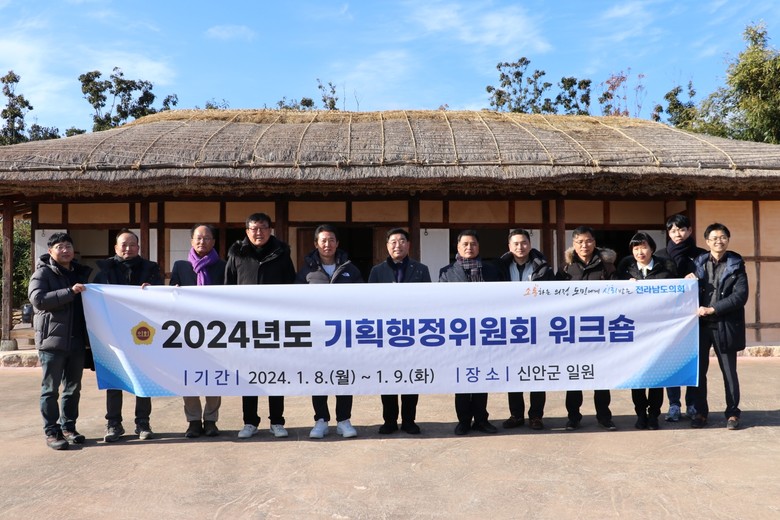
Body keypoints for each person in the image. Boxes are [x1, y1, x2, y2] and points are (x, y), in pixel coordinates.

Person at [225, 213, 296, 439]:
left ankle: (277, 421)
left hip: (275, 324)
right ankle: (250, 421)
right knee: (249, 374)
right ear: (247, 231)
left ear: (270, 230)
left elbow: (292, 287)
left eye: (263, 228)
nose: (259, 232)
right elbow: (227, 287)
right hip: (246, 325)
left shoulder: (281, 253)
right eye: (254, 228)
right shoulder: (237, 254)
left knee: (275, 373)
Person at [94, 229, 163, 441]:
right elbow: (94, 297)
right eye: (123, 244)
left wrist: (153, 290)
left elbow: (161, 297)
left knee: (143, 377)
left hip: (144, 333)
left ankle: (143, 423)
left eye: (132, 244)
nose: (128, 248)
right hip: (113, 332)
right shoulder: (103, 270)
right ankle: (113, 424)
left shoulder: (151, 269)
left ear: (138, 247)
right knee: (115, 379)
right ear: (116, 247)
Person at [296, 224, 364, 439]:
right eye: (323, 240)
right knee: (319, 376)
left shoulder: (350, 269)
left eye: (331, 240)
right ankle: (321, 420)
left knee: (343, 376)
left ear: (337, 243)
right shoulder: (306, 271)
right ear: (316, 244)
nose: (327, 244)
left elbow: (363, 299)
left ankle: (344, 420)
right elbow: (296, 301)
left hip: (343, 333)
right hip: (316, 334)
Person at [28, 233, 92, 450]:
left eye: (68, 246)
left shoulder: (80, 273)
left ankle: (69, 428)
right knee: (50, 389)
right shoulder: (42, 273)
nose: (65, 250)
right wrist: (69, 292)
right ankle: (52, 432)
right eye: (60, 247)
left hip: (77, 341)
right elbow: (38, 300)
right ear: (50, 251)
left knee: (73, 388)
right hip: (52, 343)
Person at [367, 227, 432, 435]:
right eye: (393, 241)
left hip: (413, 333)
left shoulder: (421, 269)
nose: (398, 245)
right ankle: (389, 420)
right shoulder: (377, 271)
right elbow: (370, 303)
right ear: (387, 246)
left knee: (411, 377)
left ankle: (409, 420)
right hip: (386, 334)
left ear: (408, 245)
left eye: (402, 241)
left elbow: (428, 301)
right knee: (388, 377)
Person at [686, 223, 748, 430]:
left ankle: (733, 413)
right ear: (707, 241)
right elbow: (688, 292)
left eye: (722, 237)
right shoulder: (698, 264)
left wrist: (713, 309)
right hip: (700, 327)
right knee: (699, 373)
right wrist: (687, 283)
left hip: (725, 325)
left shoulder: (736, 265)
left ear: (728, 240)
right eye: (714, 238)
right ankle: (700, 413)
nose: (718, 241)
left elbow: (740, 296)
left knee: (729, 372)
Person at [439, 229, 500, 435]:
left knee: (482, 377)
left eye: (473, 244)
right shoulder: (447, 272)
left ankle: (481, 419)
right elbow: (443, 303)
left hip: (485, 332)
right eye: (465, 244)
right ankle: (464, 420)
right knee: (463, 378)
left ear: (478, 247)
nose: (469, 247)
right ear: (457, 247)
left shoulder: (491, 270)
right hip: (460, 335)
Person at [556, 226, 617, 431]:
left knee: (601, 376)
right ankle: (573, 417)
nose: (584, 245)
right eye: (580, 241)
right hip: (573, 331)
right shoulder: (566, 268)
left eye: (588, 241)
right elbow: (554, 298)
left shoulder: (607, 267)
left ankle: (604, 417)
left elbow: (619, 295)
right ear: (573, 244)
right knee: (575, 376)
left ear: (594, 242)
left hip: (600, 330)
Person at [170, 224, 226, 439]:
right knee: (189, 375)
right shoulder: (181, 266)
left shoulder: (222, 266)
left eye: (207, 238)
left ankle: (211, 420)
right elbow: (172, 296)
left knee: (214, 375)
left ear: (214, 241)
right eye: (198, 238)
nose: (202, 242)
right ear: (192, 241)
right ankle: (193, 421)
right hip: (188, 329)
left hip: (215, 329)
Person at [494, 228, 553, 431]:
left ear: (530, 244)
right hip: (510, 328)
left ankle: (536, 415)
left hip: (537, 327)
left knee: (537, 373)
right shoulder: (499, 267)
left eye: (524, 243)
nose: (520, 247)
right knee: (514, 372)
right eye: (516, 243)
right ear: (509, 246)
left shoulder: (544, 268)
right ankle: (516, 415)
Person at [617, 232, 677, 430]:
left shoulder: (666, 269)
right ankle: (640, 414)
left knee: (656, 376)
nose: (640, 252)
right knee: (638, 376)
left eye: (643, 247)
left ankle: (654, 415)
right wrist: (625, 286)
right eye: (635, 248)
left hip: (658, 332)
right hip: (633, 332)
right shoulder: (625, 270)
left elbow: (676, 294)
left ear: (652, 248)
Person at [655, 214, 706, 422]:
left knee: (694, 361)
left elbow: (708, 281)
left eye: (682, 229)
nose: (678, 234)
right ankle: (674, 404)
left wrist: (697, 279)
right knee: (671, 361)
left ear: (690, 231)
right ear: (668, 233)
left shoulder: (701, 255)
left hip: (695, 317)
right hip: (669, 318)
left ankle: (692, 404)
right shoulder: (660, 256)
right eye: (673, 230)